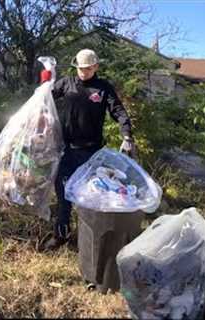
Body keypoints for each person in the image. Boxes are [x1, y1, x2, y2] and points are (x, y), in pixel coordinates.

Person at [41, 49, 136, 251]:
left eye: (88, 68)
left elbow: (118, 111)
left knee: (91, 196)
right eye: (80, 68)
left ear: (95, 67)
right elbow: (44, 96)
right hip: (66, 150)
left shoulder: (102, 89)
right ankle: (61, 235)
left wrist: (127, 135)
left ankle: (90, 241)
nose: (83, 72)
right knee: (63, 194)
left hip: (91, 153)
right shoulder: (67, 83)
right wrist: (46, 78)